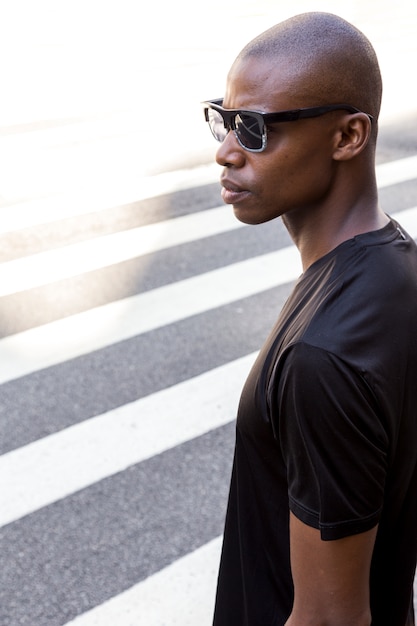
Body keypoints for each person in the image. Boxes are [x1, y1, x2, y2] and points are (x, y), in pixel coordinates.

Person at [202, 11, 417, 626]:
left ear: (348, 137)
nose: (226, 152)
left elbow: (329, 618)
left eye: (255, 129)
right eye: (223, 117)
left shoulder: (324, 355)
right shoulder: (396, 267)